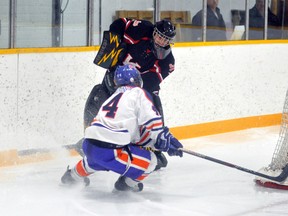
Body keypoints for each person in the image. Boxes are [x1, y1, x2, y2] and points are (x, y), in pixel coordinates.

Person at [61, 65, 183, 192]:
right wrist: (164, 139)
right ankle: (126, 184)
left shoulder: (112, 98)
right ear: (137, 80)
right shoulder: (138, 93)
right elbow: (153, 123)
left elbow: (135, 137)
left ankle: (72, 176)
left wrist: (160, 143)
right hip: (112, 152)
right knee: (152, 161)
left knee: (94, 160)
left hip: (89, 145)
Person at [80, 18, 177, 170]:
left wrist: (130, 89)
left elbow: (151, 82)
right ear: (154, 32)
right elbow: (119, 24)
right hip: (113, 78)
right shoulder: (142, 29)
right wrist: (115, 42)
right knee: (98, 94)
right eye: (159, 36)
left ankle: (153, 148)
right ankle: (90, 137)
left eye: (165, 39)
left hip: (136, 89)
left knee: (154, 103)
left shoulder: (168, 62)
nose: (161, 41)